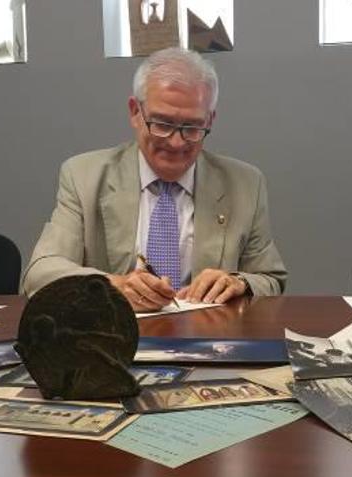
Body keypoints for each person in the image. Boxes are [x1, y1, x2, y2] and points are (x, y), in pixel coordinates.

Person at [22, 47, 286, 310]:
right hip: (114, 342)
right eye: (162, 124)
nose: (175, 142)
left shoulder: (245, 185)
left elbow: (271, 279)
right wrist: (114, 285)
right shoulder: (83, 177)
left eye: (192, 127)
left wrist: (239, 282)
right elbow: (40, 275)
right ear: (135, 112)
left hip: (209, 342)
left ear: (210, 120)